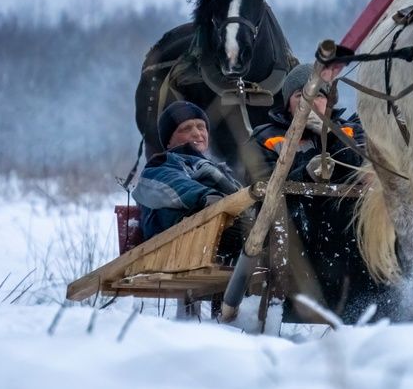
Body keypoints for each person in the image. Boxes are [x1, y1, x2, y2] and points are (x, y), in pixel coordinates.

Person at [248, 63, 386, 322]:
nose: (311, 102)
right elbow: (258, 183)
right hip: (298, 232)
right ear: (288, 103)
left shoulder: (350, 131)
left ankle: (375, 310)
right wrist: (303, 173)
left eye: (319, 96)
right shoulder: (267, 138)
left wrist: (330, 135)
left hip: (349, 234)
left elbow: (365, 172)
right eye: (301, 96)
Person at [132, 101, 246, 258]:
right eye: (186, 129)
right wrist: (208, 197)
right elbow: (175, 184)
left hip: (220, 232)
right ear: (169, 140)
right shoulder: (161, 165)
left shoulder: (222, 170)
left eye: (201, 127)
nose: (197, 134)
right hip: (179, 244)